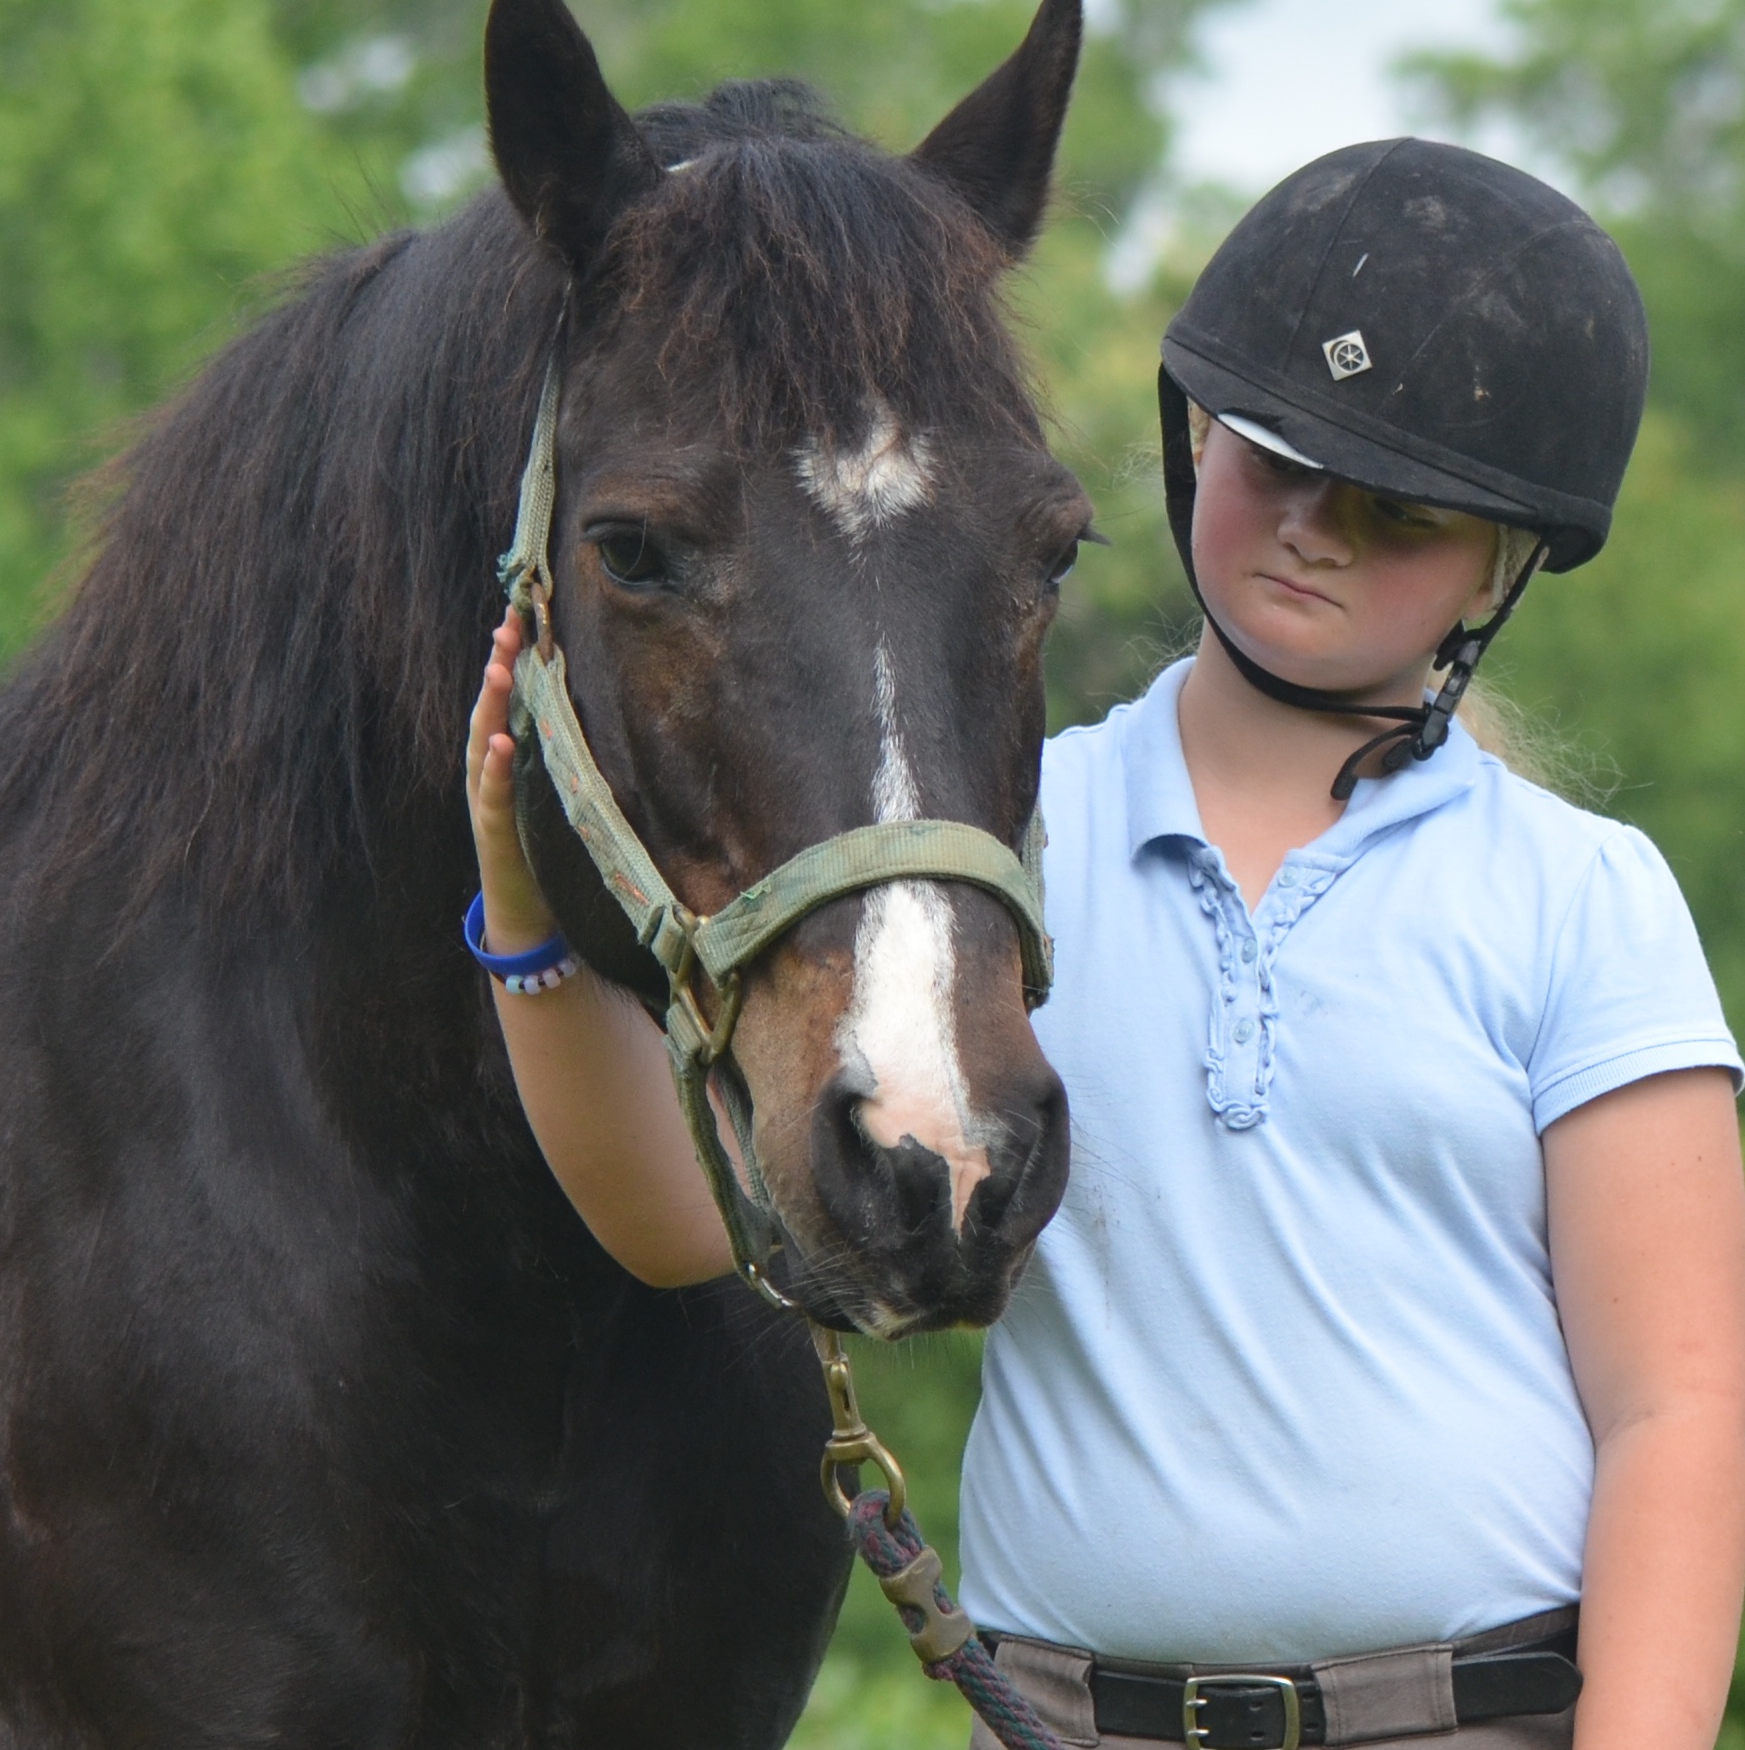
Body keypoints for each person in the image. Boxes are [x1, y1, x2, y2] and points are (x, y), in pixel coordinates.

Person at [466, 138, 1745, 1750]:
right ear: (1194, 436)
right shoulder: (985, 860)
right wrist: (522, 910)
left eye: (1396, 510)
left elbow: (1673, 1407)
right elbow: (677, 1229)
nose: (1313, 529)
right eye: (1274, 462)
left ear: (1502, 558)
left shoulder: (1579, 894)